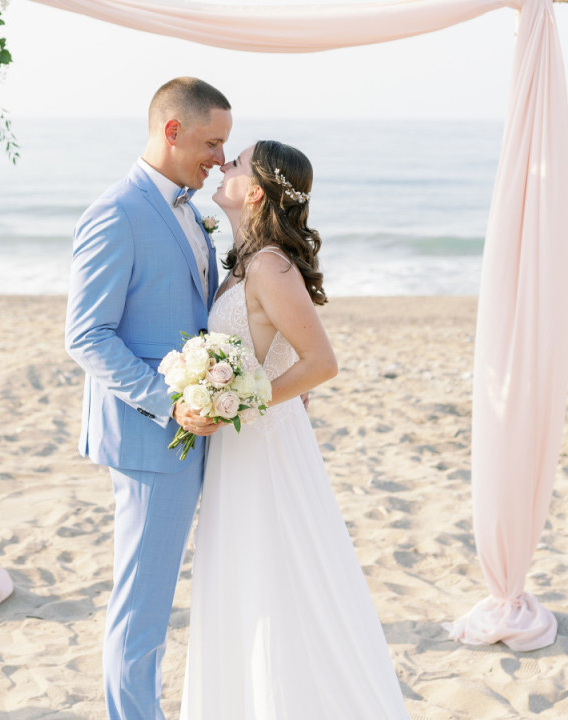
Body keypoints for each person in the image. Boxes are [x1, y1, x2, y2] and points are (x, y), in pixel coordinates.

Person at [179, 141, 411, 719]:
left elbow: (321, 362)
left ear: (254, 190)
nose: (222, 164)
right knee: (244, 581)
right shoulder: (244, 262)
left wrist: (240, 402)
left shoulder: (271, 266)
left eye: (234, 164)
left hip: (263, 446)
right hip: (241, 448)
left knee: (275, 579)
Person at [64, 77, 230, 720]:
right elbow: (87, 334)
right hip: (149, 436)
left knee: (165, 598)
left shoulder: (188, 209)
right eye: (212, 142)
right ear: (172, 131)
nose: (219, 157)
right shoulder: (118, 211)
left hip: (193, 428)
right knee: (143, 604)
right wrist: (168, 401)